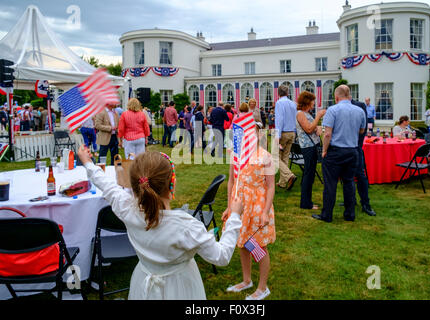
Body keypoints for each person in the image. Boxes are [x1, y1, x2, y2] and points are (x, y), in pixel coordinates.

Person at [77, 146, 244, 299]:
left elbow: (105, 185)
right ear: (172, 184)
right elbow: (221, 256)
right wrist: (235, 217)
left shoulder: (126, 210)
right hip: (181, 287)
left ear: (135, 187)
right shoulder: (185, 226)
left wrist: (87, 162)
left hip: (144, 281)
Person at [222, 122, 275, 300]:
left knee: (257, 245)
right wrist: (230, 206)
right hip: (240, 205)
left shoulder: (265, 157)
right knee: (243, 242)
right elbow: (231, 181)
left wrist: (265, 212)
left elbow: (271, 185)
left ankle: (262, 287)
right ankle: (247, 280)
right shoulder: (236, 156)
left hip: (257, 207)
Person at [312, 85, 366, 223]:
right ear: (349, 96)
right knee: (349, 182)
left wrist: (324, 150)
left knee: (330, 184)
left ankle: (327, 215)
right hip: (352, 150)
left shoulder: (333, 110)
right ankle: (349, 214)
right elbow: (361, 131)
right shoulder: (360, 111)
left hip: (335, 151)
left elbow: (327, 134)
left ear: (336, 97)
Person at [296, 91, 326, 210]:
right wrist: (318, 116)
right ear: (307, 102)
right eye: (312, 101)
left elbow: (312, 126)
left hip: (312, 146)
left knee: (310, 175)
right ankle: (305, 203)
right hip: (308, 147)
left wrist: (318, 127)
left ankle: (307, 201)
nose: (314, 103)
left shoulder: (306, 113)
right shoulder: (300, 114)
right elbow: (308, 129)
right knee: (308, 175)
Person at [351, 97, 376, 216]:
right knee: (347, 175)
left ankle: (365, 204)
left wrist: (358, 144)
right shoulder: (338, 107)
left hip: (356, 147)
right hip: (344, 148)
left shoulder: (359, 105)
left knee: (360, 176)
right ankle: (351, 200)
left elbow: (363, 128)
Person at [274, 84, 298, 190]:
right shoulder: (293, 104)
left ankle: (289, 176)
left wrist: (277, 136)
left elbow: (279, 119)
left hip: (283, 133)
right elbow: (295, 119)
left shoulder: (279, 103)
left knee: (275, 157)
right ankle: (283, 182)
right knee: (285, 157)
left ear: (278, 93)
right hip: (292, 132)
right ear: (287, 93)